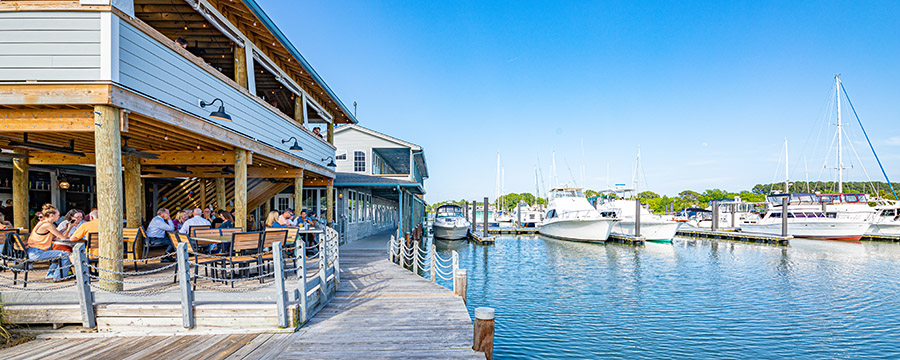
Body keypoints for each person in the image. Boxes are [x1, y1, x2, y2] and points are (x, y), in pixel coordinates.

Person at [26, 206, 73, 281]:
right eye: (58, 215)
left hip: (33, 251)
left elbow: (54, 235)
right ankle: (59, 277)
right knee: (65, 255)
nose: (59, 217)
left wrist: (64, 229)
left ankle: (50, 275)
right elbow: (63, 238)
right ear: (52, 215)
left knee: (58, 254)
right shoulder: (48, 225)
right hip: (37, 253)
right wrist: (69, 229)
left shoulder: (42, 223)